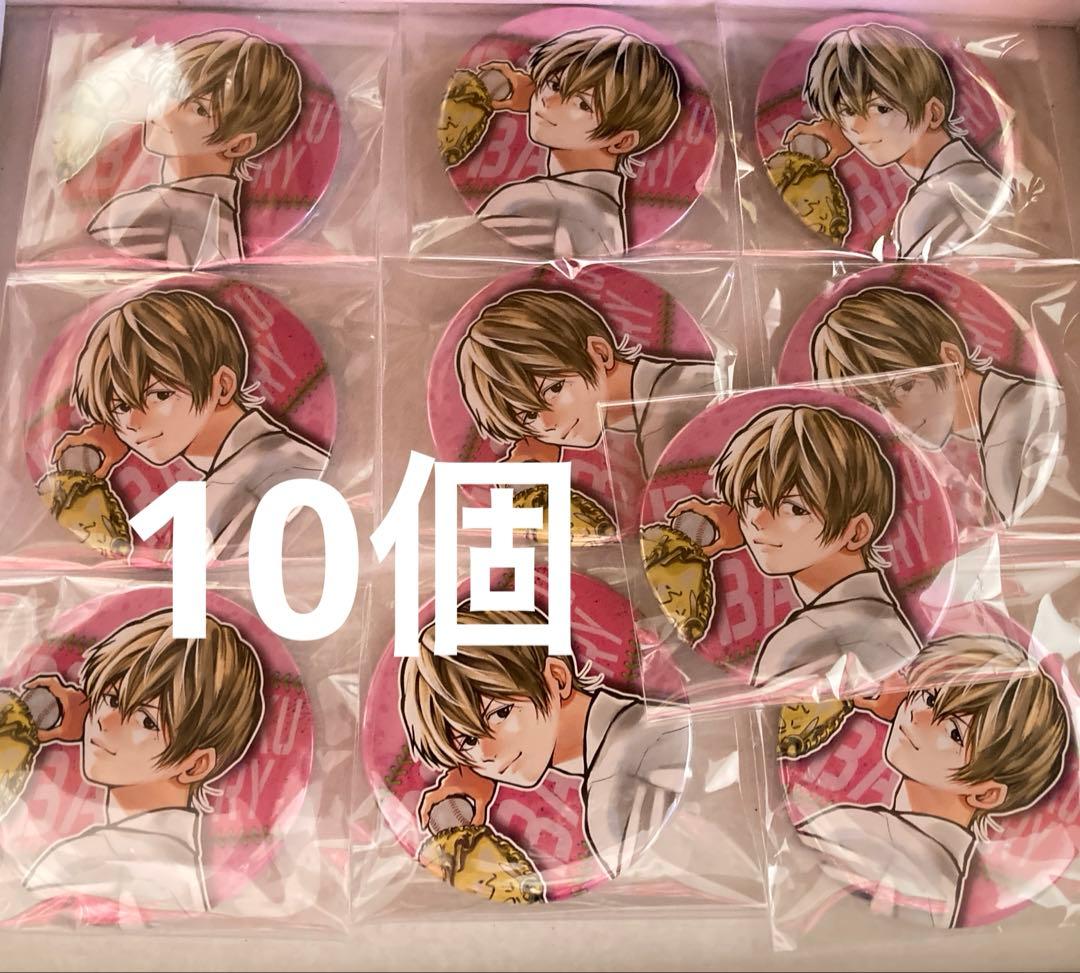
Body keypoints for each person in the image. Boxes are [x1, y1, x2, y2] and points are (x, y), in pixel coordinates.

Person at [795, 635, 1069, 928]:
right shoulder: (929, 859)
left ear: (986, 794)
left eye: (954, 733)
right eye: (928, 697)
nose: (918, 715)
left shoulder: (878, 841)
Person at [400, 607, 690, 879]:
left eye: (501, 713)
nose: (487, 754)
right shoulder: (637, 738)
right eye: (468, 739)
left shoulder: (616, 790)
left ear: (558, 678)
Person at [51, 289, 328, 559]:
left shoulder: (256, 481)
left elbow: (139, 563)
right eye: (121, 407)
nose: (132, 423)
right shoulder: (257, 464)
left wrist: (83, 484)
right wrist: (89, 470)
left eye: (160, 395)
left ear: (222, 386)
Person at [20, 610, 264, 912]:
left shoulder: (89, 860)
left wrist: (16, 735)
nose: (104, 721)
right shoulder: (176, 863)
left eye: (147, 721)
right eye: (110, 700)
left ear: (196, 765)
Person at [669, 405, 919, 695]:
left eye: (795, 508)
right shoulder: (886, 623)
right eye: (754, 501)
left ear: (857, 531)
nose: (758, 521)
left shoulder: (801, 641)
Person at [811, 285, 1065, 524]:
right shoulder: (995, 428)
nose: (894, 419)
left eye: (905, 386)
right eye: (873, 405)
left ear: (952, 358)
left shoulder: (1024, 421)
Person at [783, 22, 1011, 258]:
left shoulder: (932, 205)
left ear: (933, 113)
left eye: (881, 109)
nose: (856, 128)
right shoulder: (974, 179)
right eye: (848, 111)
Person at [87, 30, 302, 266]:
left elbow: (199, 280)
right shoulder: (187, 209)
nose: (165, 110)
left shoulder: (191, 217)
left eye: (200, 109)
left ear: (239, 145)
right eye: (171, 92)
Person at [456, 288, 718, 479]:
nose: (549, 423)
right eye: (529, 415)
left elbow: (657, 531)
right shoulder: (642, 420)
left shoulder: (684, 403)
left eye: (554, 388)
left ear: (600, 353)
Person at [473, 27, 681, 258]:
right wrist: (534, 93)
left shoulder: (537, 203)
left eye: (583, 104)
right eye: (554, 85)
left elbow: (464, 249)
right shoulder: (603, 212)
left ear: (622, 142)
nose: (548, 101)